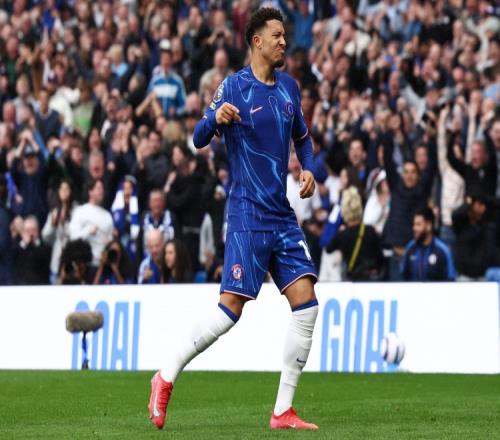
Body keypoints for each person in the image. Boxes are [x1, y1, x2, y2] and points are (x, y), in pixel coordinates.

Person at [148, 8, 319, 432]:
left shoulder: (289, 88)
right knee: (229, 311)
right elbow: (198, 137)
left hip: (281, 215)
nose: (284, 42)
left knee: (307, 305)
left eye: (284, 35)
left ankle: (282, 411)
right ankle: (165, 375)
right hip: (246, 215)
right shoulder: (234, 87)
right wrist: (215, 117)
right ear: (257, 41)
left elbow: (303, 138)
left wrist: (308, 168)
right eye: (276, 35)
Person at [326, 186, 384, 281]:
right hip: (370, 279)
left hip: (352, 279)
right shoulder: (370, 230)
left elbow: (328, 249)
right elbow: (380, 256)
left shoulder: (342, 235)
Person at [401, 207, 455, 281]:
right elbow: (403, 277)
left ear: (429, 226)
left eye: (418, 224)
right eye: (414, 224)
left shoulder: (442, 250)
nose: (414, 228)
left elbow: (450, 279)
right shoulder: (410, 248)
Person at [69, 178, 114, 267]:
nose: (101, 192)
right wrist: (88, 231)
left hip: (103, 264)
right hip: (85, 264)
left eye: (102, 189)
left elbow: (110, 238)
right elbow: (73, 237)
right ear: (90, 192)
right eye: (98, 188)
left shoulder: (107, 215)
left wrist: (109, 242)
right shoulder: (80, 211)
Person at [42, 179, 78, 284]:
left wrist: (65, 224)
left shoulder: (77, 210)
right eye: (61, 189)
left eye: (67, 189)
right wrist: (52, 225)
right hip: (56, 263)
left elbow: (77, 235)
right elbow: (45, 237)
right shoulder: (55, 210)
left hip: (73, 262)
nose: (64, 192)